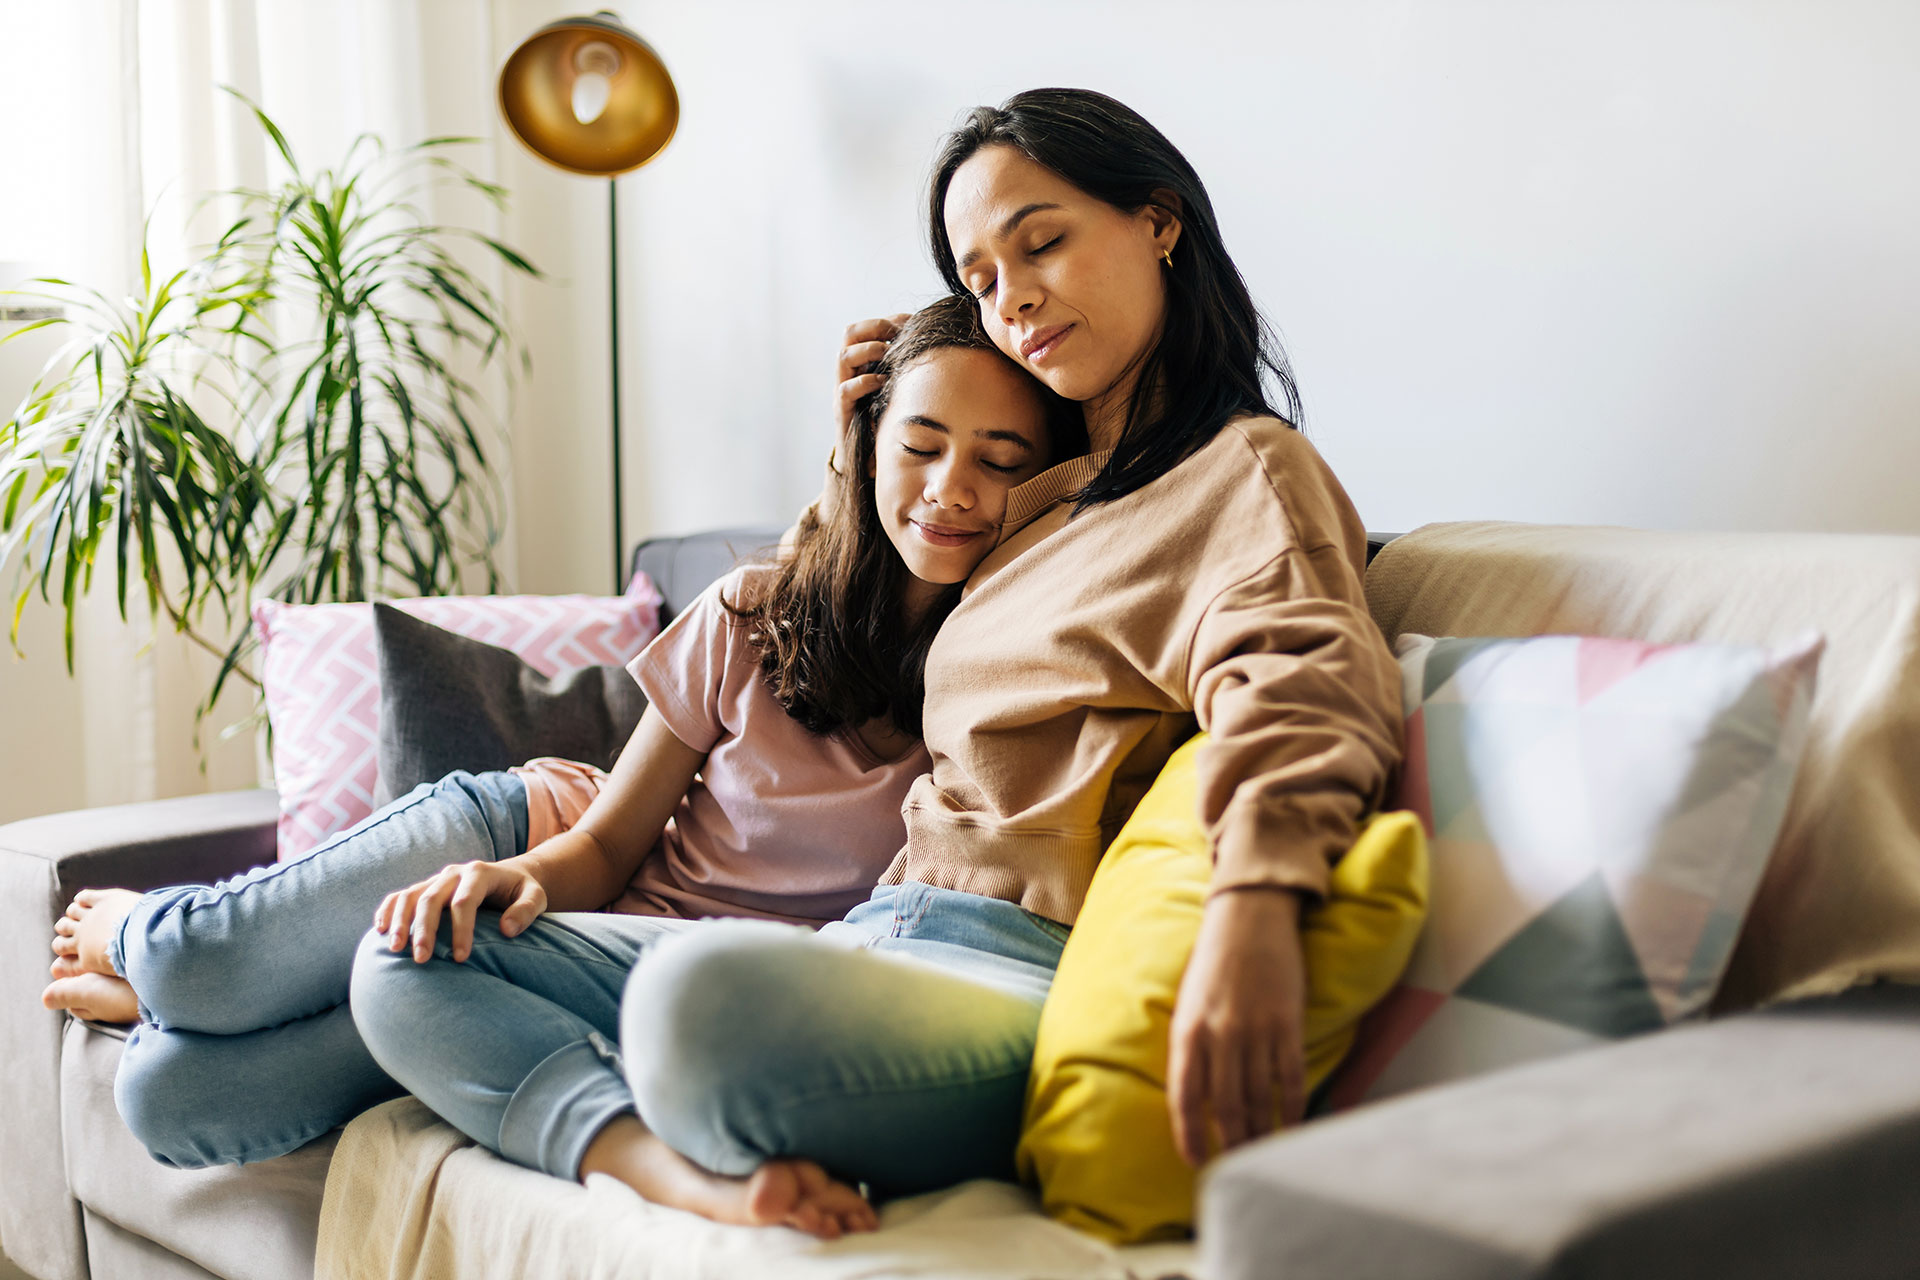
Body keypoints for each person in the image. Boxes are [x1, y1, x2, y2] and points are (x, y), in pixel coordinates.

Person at [355, 86, 1404, 1237]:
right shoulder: (1041, 498)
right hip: (869, 935)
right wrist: (859, 438)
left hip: (1011, 968)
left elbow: (1305, 682)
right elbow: (835, 598)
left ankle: (667, 1095)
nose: (1015, 301)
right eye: (982, 281)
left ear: (1161, 220)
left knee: (692, 1004)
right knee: (407, 964)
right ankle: (665, 1163)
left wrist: (1256, 906)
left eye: (1041, 240)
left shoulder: (1241, 471)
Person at [45, 295, 1076, 1238]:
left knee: (173, 1097)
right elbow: (610, 841)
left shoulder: (1006, 683)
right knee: (194, 962)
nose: (953, 489)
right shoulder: (753, 611)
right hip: (543, 835)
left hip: (647, 976)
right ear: (867, 445)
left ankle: (216, 997)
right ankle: (147, 936)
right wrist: (522, 879)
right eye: (923, 444)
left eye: (1002, 458)